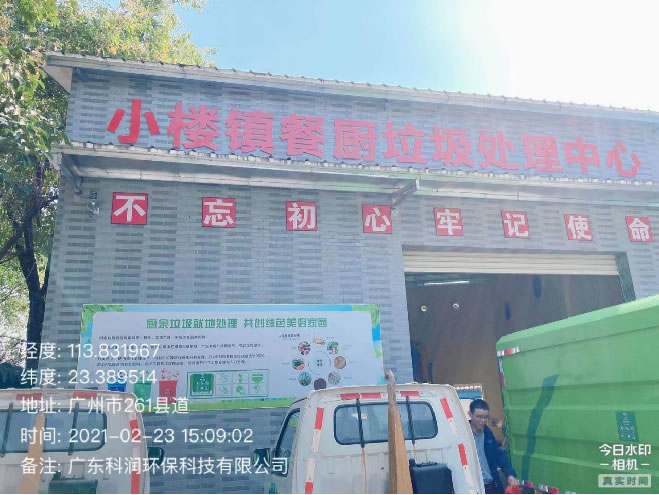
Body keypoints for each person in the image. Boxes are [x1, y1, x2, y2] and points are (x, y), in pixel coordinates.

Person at [469, 399, 518, 494]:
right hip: (473, 489)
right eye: (479, 417)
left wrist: (510, 474)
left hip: (491, 486)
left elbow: (499, 455)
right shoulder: (463, 436)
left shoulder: (488, 434)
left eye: (486, 417)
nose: (483, 421)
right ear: (470, 414)